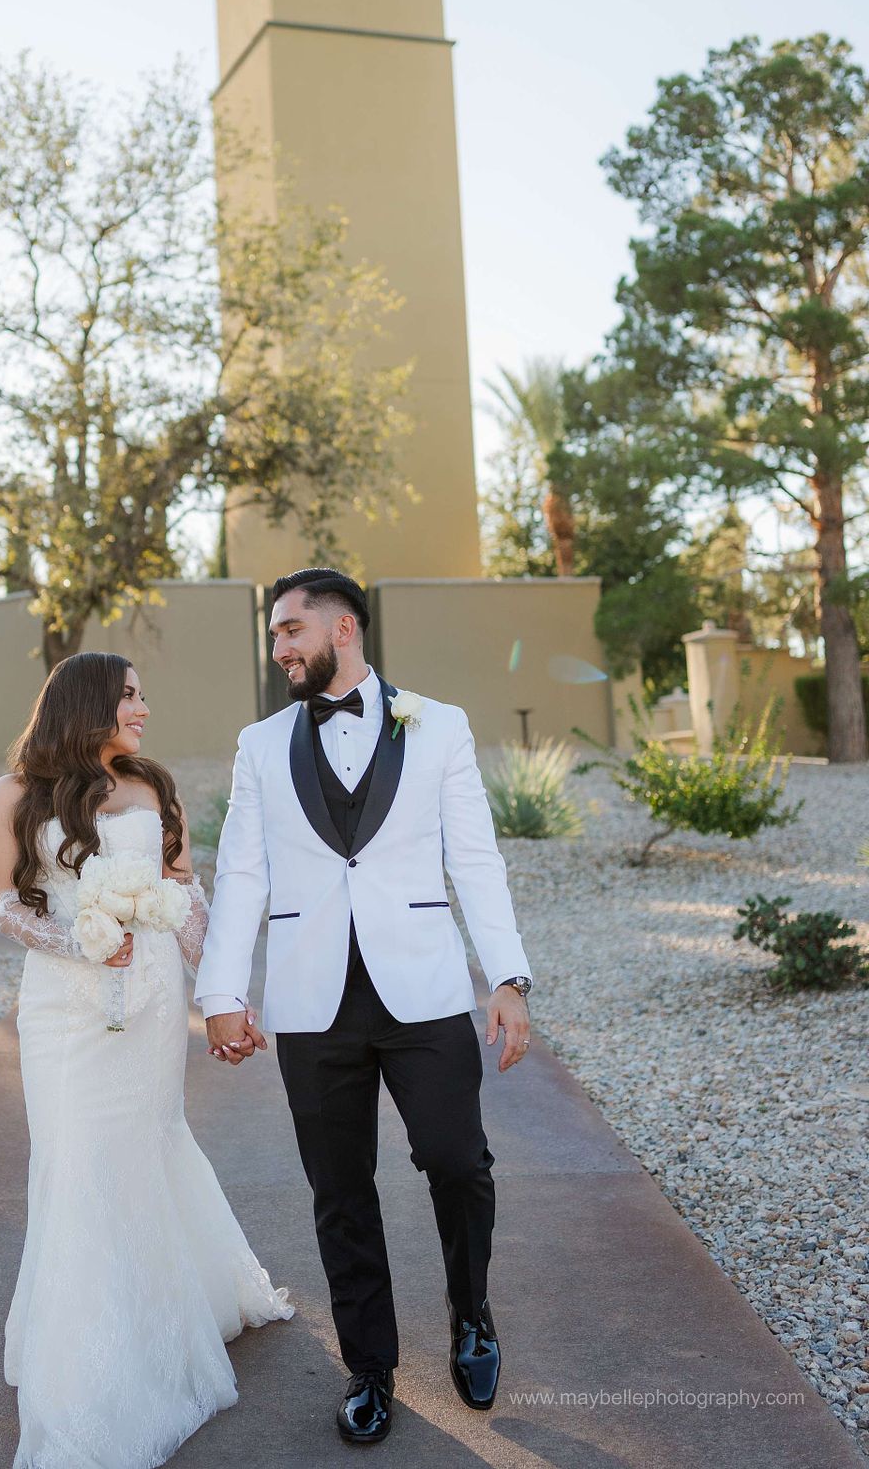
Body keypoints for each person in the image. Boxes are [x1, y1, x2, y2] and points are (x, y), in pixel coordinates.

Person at [196, 568, 533, 1445]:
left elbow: (477, 860)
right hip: (313, 1003)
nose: (279, 649)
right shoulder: (260, 745)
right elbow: (241, 873)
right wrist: (222, 995)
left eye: (290, 630)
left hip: (422, 990)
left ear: (343, 628)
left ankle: (472, 1316)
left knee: (458, 1161)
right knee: (340, 1190)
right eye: (274, 635)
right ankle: (370, 1366)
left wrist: (508, 976)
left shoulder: (442, 725)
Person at [0, 651, 292, 1469]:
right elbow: (7, 908)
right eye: (129, 697)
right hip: (64, 1012)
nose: (144, 710)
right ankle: (85, 1369)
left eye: (145, 696)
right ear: (84, 704)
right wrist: (83, 945)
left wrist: (219, 999)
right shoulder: (12, 795)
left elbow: (186, 899)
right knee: (77, 1159)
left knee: (148, 1144)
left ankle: (166, 1309)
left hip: (151, 1007)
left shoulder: (153, 787)